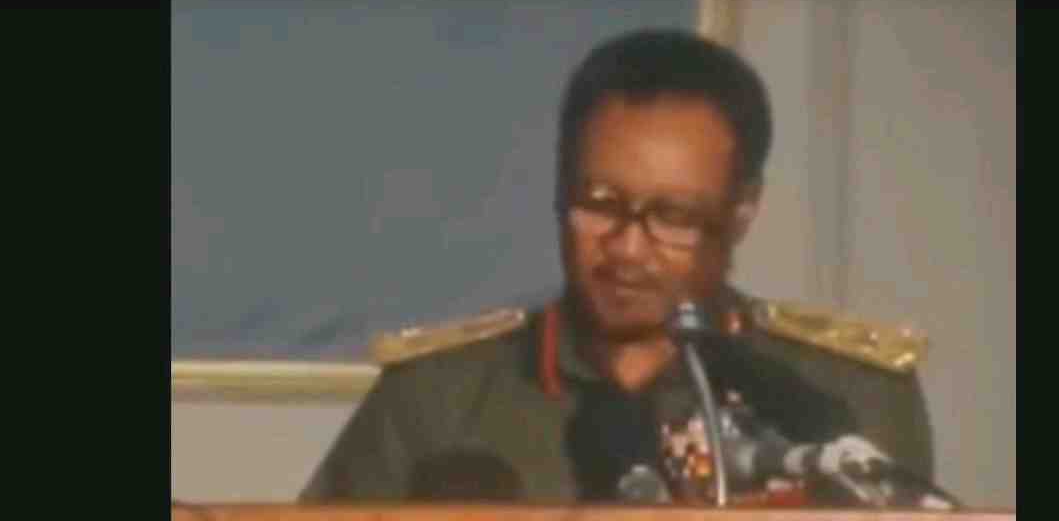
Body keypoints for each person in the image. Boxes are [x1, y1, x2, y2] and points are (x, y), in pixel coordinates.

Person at [299, 29, 935, 505]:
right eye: (599, 204)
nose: (628, 247)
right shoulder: (436, 401)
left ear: (742, 211)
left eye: (673, 216)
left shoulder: (846, 399)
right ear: (559, 189)